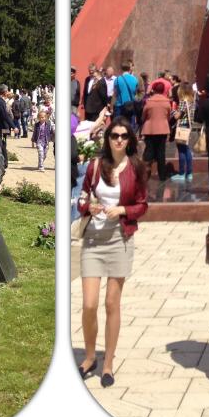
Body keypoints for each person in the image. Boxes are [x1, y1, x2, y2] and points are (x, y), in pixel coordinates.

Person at [76, 120, 148, 387]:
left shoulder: (136, 168)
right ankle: (90, 357)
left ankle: (108, 364)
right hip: (93, 240)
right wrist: (89, 207)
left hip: (120, 239)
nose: (119, 140)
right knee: (89, 304)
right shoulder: (95, 166)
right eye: (114, 135)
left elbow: (142, 204)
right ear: (107, 138)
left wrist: (124, 210)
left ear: (129, 140)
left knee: (111, 304)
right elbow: (82, 198)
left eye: (124, 136)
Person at [138, 80, 174, 182]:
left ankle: (145, 174)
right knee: (161, 152)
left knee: (149, 151)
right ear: (163, 90)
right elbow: (168, 115)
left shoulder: (149, 101)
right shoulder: (166, 102)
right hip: (163, 129)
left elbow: (144, 115)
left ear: (153, 90)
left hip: (150, 129)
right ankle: (162, 176)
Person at [31, 106, 54, 172]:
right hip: (39, 141)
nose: (42, 119)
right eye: (40, 117)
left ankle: (40, 164)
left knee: (44, 155)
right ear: (38, 118)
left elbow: (51, 131)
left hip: (46, 142)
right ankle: (41, 167)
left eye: (43, 117)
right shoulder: (37, 125)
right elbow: (35, 133)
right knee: (41, 153)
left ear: (45, 117)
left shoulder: (48, 124)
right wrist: (33, 140)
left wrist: (51, 136)